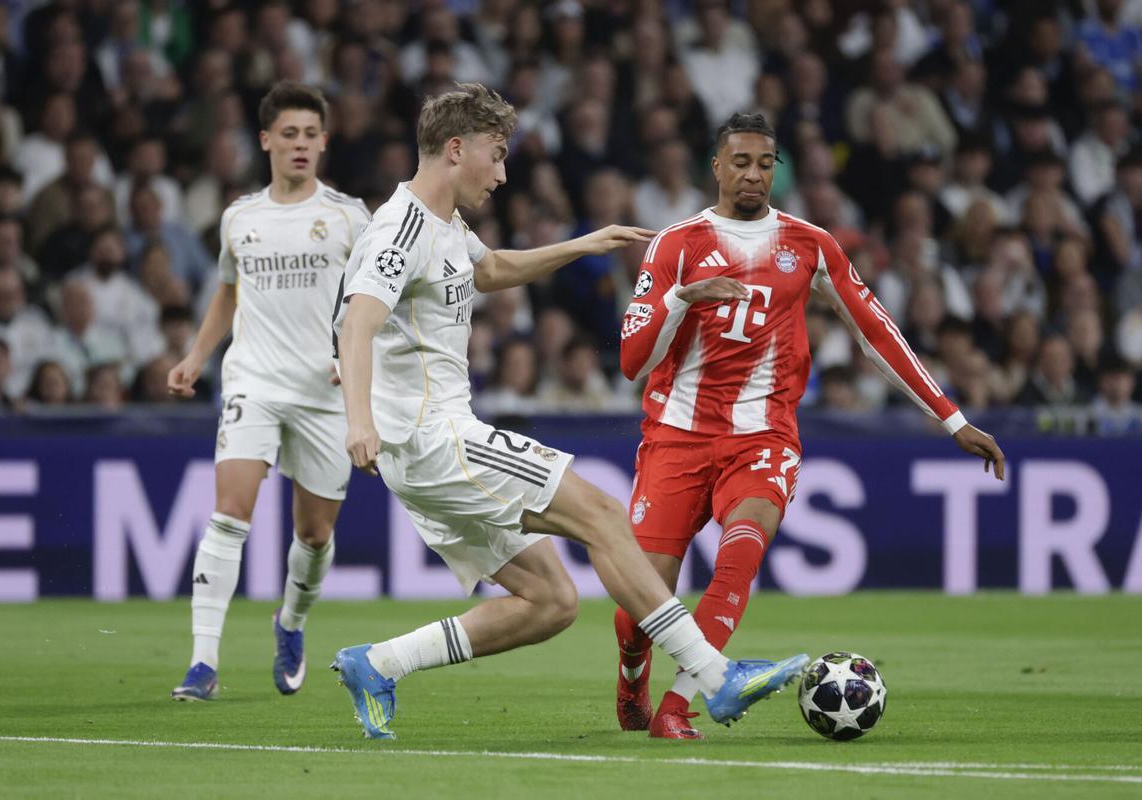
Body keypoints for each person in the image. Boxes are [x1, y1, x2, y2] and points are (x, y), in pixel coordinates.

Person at [331, 83, 808, 740]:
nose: (501, 176)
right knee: (603, 514)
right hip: (433, 439)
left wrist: (582, 244)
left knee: (551, 602)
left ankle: (378, 663)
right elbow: (357, 327)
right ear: (455, 148)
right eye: (495, 158)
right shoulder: (402, 227)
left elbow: (490, 269)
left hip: (426, 451)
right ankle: (716, 676)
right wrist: (360, 420)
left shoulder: (443, 224)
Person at [615, 112, 1007, 739]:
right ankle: (632, 670)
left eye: (765, 164)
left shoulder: (810, 243)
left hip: (763, 436)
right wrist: (684, 298)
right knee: (640, 605)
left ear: (777, 170)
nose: (752, 175)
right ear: (716, 167)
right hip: (676, 436)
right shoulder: (676, 245)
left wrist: (950, 416)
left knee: (739, 556)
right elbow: (633, 360)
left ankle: (677, 706)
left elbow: (875, 329)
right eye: (740, 162)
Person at [166, 81, 371, 701]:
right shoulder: (239, 218)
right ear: (265, 141)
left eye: (311, 134)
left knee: (313, 535)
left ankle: (291, 621)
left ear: (325, 142)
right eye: (289, 134)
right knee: (230, 514)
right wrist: (197, 355)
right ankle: (203, 663)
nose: (301, 144)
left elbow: (375, 298)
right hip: (252, 379)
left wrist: (359, 361)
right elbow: (227, 292)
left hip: (324, 390)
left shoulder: (349, 217)